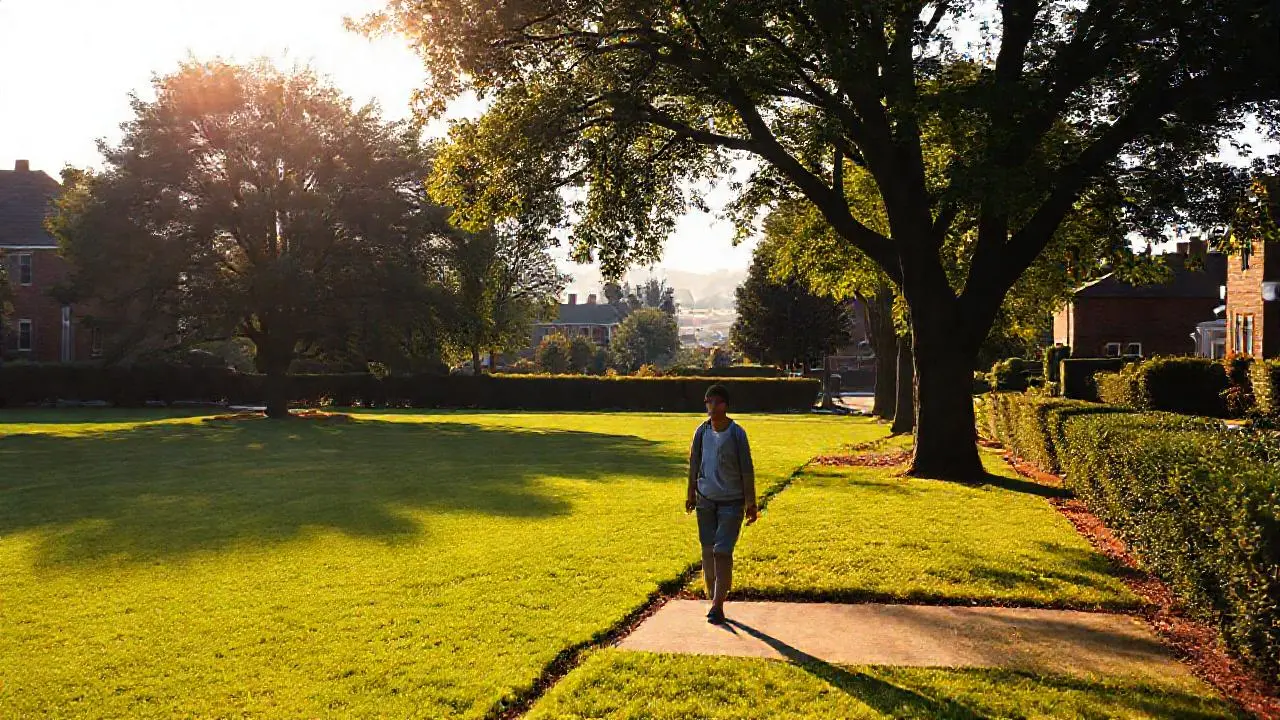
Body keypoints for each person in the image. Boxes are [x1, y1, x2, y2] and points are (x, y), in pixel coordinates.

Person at [685, 384, 757, 625]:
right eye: (708, 402)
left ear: (726, 405)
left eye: (716, 402)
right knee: (707, 550)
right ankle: (713, 593)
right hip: (706, 500)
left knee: (722, 551)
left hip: (731, 503)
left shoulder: (737, 433)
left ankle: (718, 605)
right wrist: (691, 493)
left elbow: (747, 469)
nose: (712, 407)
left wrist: (751, 502)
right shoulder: (701, 432)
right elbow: (694, 463)